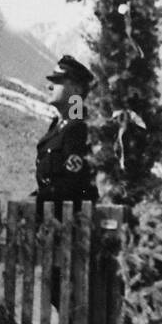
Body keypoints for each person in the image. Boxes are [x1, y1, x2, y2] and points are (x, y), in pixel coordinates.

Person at [35, 55, 98, 224]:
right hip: (50, 219)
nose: (50, 86)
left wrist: (35, 203)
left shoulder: (78, 129)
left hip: (68, 226)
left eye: (57, 81)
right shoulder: (58, 126)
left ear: (76, 90)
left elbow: (70, 185)